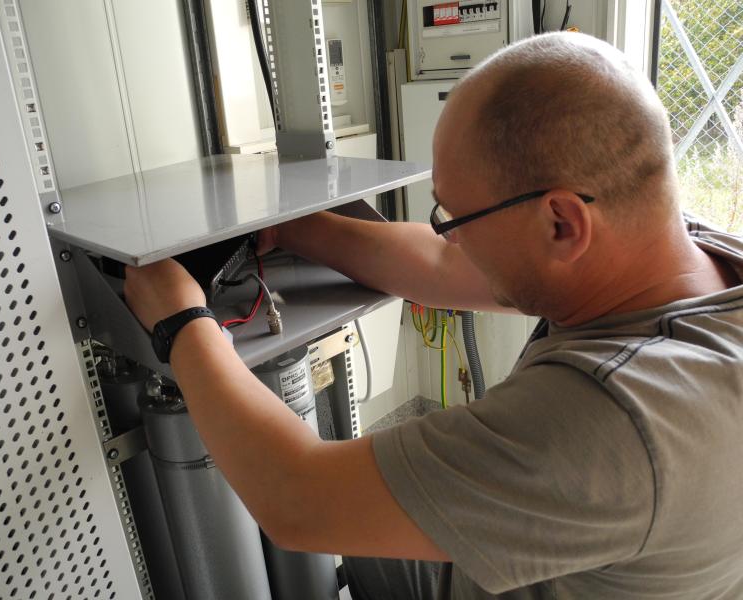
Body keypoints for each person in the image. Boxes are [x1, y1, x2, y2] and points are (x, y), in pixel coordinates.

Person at [124, 32, 743, 599]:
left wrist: (182, 323)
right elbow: (445, 266)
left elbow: (297, 500)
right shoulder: (678, 254)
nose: (448, 236)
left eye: (454, 218)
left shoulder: (616, 420)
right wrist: (292, 227)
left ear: (560, 223)